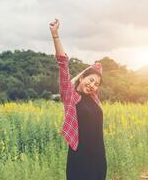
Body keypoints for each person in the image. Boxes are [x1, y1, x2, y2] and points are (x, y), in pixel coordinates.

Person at [49, 18, 107, 180]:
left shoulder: (94, 99)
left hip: (98, 157)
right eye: (90, 80)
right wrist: (55, 35)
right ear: (82, 78)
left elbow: (97, 69)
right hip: (80, 159)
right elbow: (63, 64)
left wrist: (96, 69)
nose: (93, 85)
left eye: (96, 84)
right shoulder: (71, 96)